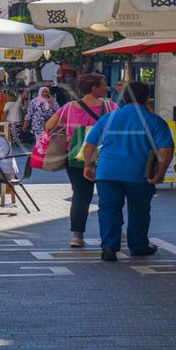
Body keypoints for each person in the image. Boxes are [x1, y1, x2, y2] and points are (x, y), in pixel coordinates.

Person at [81, 82, 174, 261]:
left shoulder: (108, 118)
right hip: (139, 174)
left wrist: (88, 165)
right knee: (139, 210)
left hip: (107, 173)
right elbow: (166, 149)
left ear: (124, 98)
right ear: (147, 98)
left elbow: (90, 144)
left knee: (108, 209)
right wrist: (161, 172)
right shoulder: (154, 121)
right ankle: (138, 246)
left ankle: (109, 247)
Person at [44, 73, 118, 247]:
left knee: (80, 196)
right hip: (105, 157)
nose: (107, 87)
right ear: (94, 88)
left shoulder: (68, 108)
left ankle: (77, 236)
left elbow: (48, 127)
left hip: (76, 157)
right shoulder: (110, 107)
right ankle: (111, 230)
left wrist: (68, 128)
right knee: (108, 196)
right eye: (104, 84)